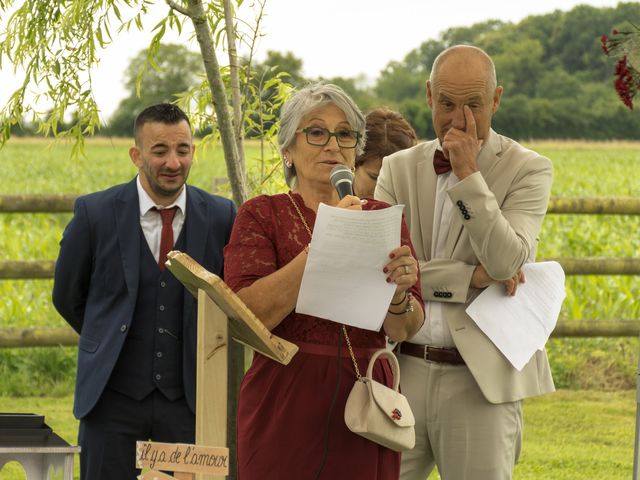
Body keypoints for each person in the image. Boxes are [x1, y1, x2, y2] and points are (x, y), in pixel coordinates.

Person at [223, 83, 424, 480]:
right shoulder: (262, 215)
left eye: (345, 133)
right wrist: (326, 243)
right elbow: (249, 314)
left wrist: (400, 292)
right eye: (316, 131)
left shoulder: (381, 216)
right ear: (288, 150)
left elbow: (405, 327)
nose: (332, 144)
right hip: (284, 397)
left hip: (365, 396)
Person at [375, 45, 555, 480]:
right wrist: (472, 277)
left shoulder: (528, 169)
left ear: (496, 100)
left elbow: (505, 259)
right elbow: (379, 269)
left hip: (481, 382)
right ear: (428, 96)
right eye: (448, 104)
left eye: (473, 104)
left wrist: (469, 176)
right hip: (402, 371)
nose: (459, 120)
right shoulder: (396, 169)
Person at [52, 103, 236, 479]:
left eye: (183, 150)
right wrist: (106, 338)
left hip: (189, 400)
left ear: (193, 152)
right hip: (111, 398)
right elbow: (68, 295)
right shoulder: (95, 213)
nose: (173, 162)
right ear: (136, 155)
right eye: (160, 150)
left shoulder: (221, 216)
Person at [353, 107, 417, 199]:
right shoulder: (331, 204)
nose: (381, 189)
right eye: (374, 177)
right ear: (354, 163)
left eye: (393, 181)